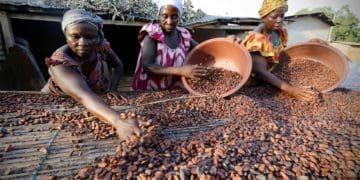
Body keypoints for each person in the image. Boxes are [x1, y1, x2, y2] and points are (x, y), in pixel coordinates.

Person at [41, 9, 140, 140]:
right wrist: (118, 121)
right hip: (62, 100)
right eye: (75, 36)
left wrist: (113, 88)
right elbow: (83, 95)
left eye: (90, 37)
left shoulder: (101, 47)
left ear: (99, 37)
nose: (83, 43)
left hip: (94, 96)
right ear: (66, 35)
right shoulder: (59, 63)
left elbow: (118, 65)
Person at [240, 0, 321, 101]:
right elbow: (260, 72)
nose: (279, 20)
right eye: (274, 17)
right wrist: (292, 91)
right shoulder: (256, 39)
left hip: (274, 77)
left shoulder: (279, 32)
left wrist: (309, 44)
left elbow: (282, 52)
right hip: (256, 83)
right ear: (264, 17)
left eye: (282, 16)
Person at [131, 0, 208, 90]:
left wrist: (225, 41)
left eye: (174, 16)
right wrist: (181, 71)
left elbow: (204, 49)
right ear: (159, 16)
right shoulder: (153, 34)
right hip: (148, 92)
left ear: (179, 16)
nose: (169, 21)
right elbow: (148, 66)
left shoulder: (184, 35)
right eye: (165, 16)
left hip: (173, 94)